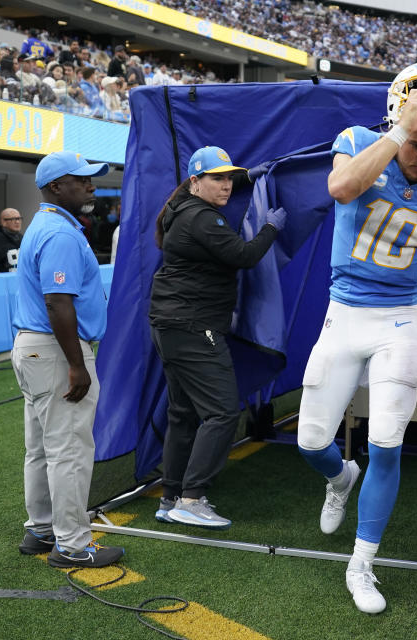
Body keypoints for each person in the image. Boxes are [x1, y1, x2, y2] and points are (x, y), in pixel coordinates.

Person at [295, 61, 417, 614]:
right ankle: (339, 478)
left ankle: (362, 565)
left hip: (401, 320)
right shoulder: (358, 142)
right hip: (344, 313)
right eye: (416, 143)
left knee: (387, 444)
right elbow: (342, 186)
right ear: (396, 122)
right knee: (310, 442)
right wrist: (399, 129)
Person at [149, 146, 285, 530]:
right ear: (195, 182)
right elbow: (243, 255)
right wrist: (272, 226)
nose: (226, 185)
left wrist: (248, 176)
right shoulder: (202, 219)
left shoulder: (182, 208)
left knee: (183, 413)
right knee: (223, 411)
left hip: (172, 324)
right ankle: (191, 499)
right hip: (194, 326)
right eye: (217, 178)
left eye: (230, 177)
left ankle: (171, 496)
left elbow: (218, 183)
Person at [11, 150, 124, 568]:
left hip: (35, 346)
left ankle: (41, 529)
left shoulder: (48, 224)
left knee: (42, 448)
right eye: (82, 179)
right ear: (57, 186)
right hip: (56, 350)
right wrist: (77, 364)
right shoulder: (58, 232)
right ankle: (74, 545)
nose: (91, 185)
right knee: (69, 450)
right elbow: (59, 303)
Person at [0, 207, 24, 272]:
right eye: (13, 219)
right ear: (3, 222)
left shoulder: (23, 238)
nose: (17, 222)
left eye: (19, 219)